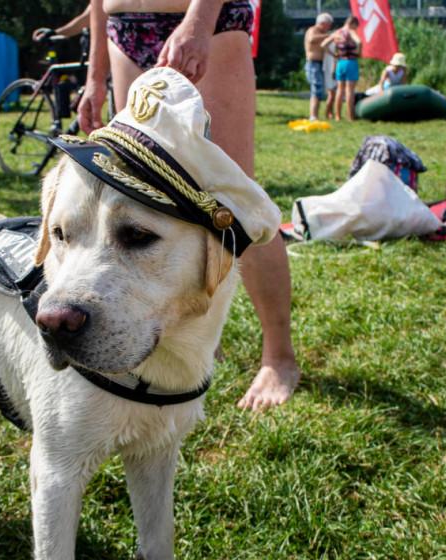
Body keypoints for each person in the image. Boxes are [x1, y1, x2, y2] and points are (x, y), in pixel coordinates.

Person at [78, 0, 300, 410]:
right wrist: (95, 76)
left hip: (204, 23)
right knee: (147, 199)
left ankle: (278, 357)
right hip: (124, 29)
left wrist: (199, 21)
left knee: (235, 201)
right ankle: (195, 341)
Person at [324, 16, 361, 121]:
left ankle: (338, 116)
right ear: (353, 24)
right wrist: (359, 52)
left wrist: (333, 54)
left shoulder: (337, 32)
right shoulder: (350, 31)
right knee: (349, 90)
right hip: (350, 62)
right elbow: (359, 42)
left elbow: (324, 45)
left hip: (340, 62)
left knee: (340, 90)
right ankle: (350, 117)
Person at [304, 13, 333, 121]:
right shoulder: (312, 30)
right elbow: (311, 39)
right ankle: (313, 116)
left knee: (319, 90)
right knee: (316, 89)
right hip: (313, 63)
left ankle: (315, 115)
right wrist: (329, 36)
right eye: (327, 25)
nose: (328, 28)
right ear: (322, 23)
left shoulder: (321, 33)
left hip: (320, 64)